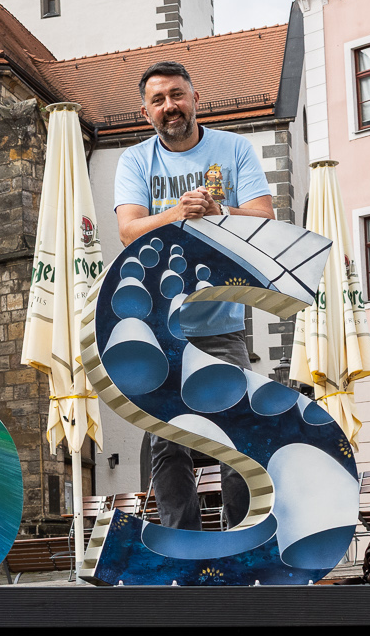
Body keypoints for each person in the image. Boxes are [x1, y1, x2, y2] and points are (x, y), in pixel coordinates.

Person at [113, 60, 276, 532]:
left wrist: (219, 210)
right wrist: (179, 213)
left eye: (177, 95)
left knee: (236, 434)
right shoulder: (136, 160)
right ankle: (181, 546)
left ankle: (242, 537)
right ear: (146, 112)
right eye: (159, 100)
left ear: (195, 98)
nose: (170, 106)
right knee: (168, 439)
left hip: (222, 319)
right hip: (160, 325)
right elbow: (129, 231)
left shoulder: (234, 148)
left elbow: (263, 219)